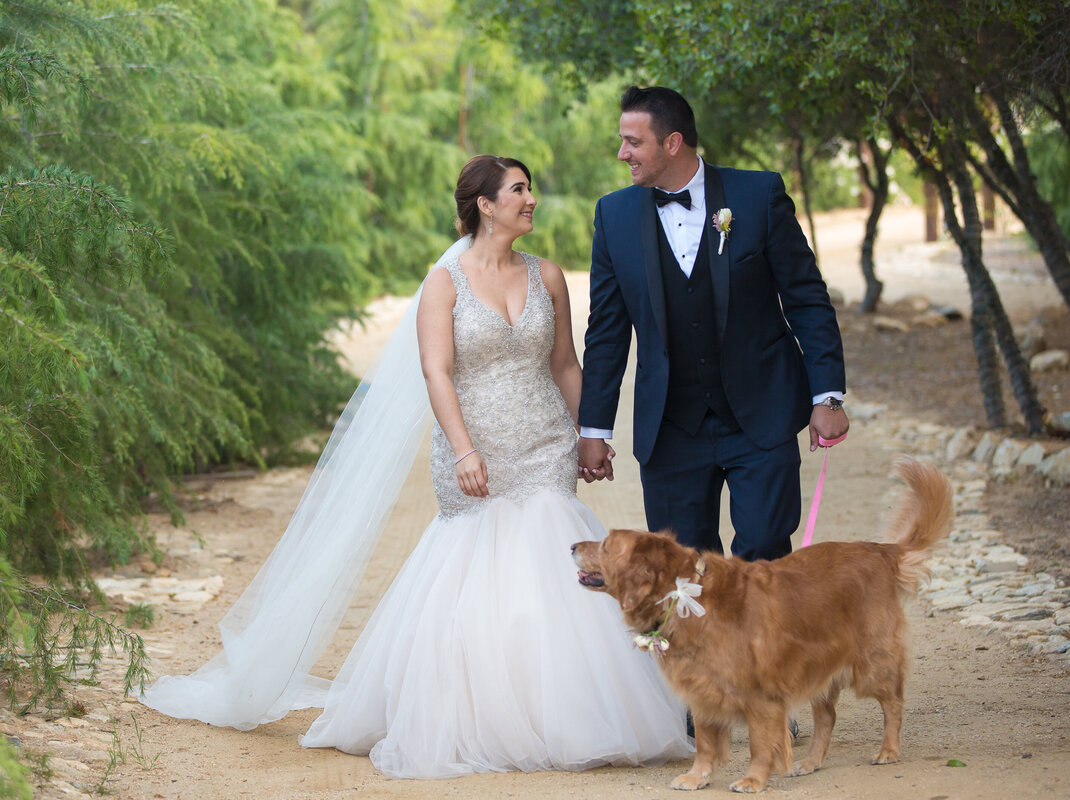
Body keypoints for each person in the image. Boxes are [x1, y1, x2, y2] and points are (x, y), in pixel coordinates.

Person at [139, 154, 691, 779]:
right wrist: (463, 448)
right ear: (485, 205)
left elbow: (565, 362)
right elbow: (437, 371)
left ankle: (577, 712)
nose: (531, 199)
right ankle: (485, 713)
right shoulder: (446, 281)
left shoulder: (550, 276)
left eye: (529, 189)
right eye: (518, 190)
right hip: (475, 443)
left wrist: (589, 433)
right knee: (480, 569)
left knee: (551, 559)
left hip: (544, 443)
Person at [577, 86, 849, 562]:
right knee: (684, 571)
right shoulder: (613, 215)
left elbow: (806, 299)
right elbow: (607, 331)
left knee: (764, 557)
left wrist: (826, 395)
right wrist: (594, 429)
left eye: (633, 142)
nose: (623, 153)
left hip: (760, 415)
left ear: (672, 142)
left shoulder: (758, 194)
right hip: (670, 427)